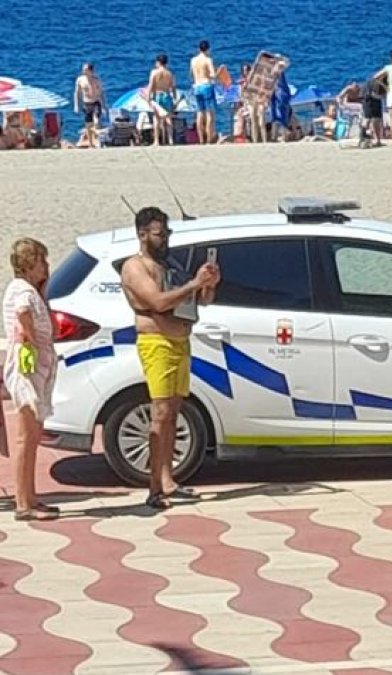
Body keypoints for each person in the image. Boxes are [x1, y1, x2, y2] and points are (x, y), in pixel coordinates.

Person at [120, 207, 220, 509]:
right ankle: (153, 486)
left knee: (174, 413)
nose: (165, 240)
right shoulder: (136, 267)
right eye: (159, 234)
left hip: (180, 340)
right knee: (160, 413)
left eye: (167, 234)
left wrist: (207, 285)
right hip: (157, 342)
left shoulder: (169, 264)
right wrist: (192, 284)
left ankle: (167, 479)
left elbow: (198, 301)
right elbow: (158, 301)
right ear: (142, 235)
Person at [3, 239, 59, 521]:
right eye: (42, 262)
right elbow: (23, 312)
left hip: (39, 368)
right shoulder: (21, 291)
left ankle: (31, 497)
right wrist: (30, 336)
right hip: (27, 369)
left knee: (34, 436)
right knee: (26, 437)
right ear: (28, 264)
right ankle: (23, 503)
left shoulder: (31, 291)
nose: (46, 267)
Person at [190, 41, 218, 145]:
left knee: (199, 113)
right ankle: (209, 138)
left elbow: (191, 73)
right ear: (208, 49)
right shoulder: (208, 60)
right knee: (209, 113)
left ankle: (201, 139)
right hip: (206, 85)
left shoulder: (193, 60)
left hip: (197, 86)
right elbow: (212, 75)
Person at [73, 63, 106, 149]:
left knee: (96, 122)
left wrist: (104, 106)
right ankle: (91, 144)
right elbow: (77, 93)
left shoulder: (96, 80)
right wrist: (76, 105)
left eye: (85, 69)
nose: (84, 71)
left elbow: (101, 92)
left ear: (91, 71)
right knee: (88, 125)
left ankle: (97, 136)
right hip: (87, 103)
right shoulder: (80, 80)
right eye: (83, 69)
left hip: (96, 102)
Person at [147, 54, 176, 146]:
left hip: (157, 96)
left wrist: (148, 97)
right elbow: (173, 87)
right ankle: (170, 140)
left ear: (158, 62)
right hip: (166, 95)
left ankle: (156, 141)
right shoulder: (169, 73)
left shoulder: (154, 72)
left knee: (156, 118)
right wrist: (174, 97)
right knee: (168, 118)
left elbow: (151, 85)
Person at [362, 70, 386, 147]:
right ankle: (363, 136)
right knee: (369, 119)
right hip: (369, 101)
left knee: (375, 120)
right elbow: (372, 94)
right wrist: (383, 96)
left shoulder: (375, 82)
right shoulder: (373, 83)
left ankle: (377, 140)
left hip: (375, 102)